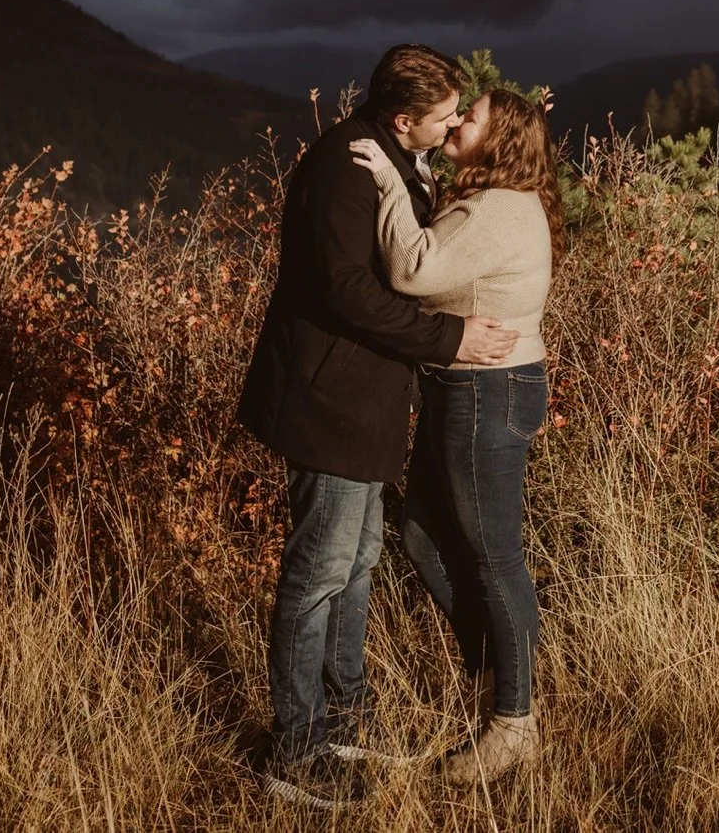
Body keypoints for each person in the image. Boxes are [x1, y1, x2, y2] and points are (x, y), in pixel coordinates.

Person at [237, 44, 520, 810]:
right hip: (326, 398)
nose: (458, 121)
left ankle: (343, 718)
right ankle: (294, 750)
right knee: (318, 570)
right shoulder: (345, 167)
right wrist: (450, 341)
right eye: (445, 116)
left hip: (363, 402)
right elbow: (346, 292)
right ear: (404, 118)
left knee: (356, 557)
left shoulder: (395, 156)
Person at [349, 87, 565, 785]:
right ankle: (502, 676)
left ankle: (514, 722)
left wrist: (386, 178)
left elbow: (415, 270)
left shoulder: (499, 208)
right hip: (469, 387)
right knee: (420, 536)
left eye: (470, 117)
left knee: (493, 556)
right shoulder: (487, 199)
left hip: (487, 392)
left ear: (497, 140)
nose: (457, 120)